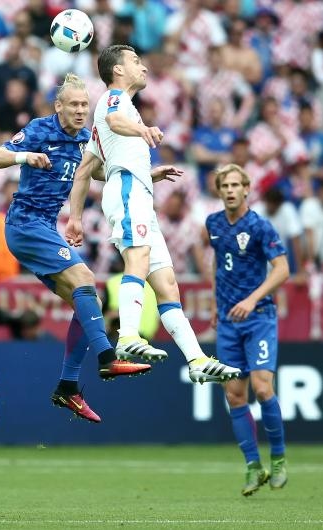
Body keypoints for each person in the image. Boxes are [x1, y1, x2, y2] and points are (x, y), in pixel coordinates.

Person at [65, 44, 240, 384]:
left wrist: (75, 217)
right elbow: (118, 122)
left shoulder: (111, 116)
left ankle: (197, 359)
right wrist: (143, 131)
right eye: (135, 61)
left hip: (136, 189)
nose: (143, 67)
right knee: (139, 259)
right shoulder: (113, 101)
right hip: (129, 191)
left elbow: (86, 170)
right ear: (117, 70)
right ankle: (128, 336)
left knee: (167, 284)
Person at [0, 73, 150, 424]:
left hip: (46, 228)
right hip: (25, 225)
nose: (80, 110)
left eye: (84, 105)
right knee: (86, 277)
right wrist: (25, 158)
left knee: (88, 297)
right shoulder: (39, 129)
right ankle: (108, 358)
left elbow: (93, 170)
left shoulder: (85, 141)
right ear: (58, 106)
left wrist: (146, 174)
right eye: (73, 104)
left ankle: (67, 386)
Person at [204, 164, 290, 496]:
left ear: (246, 189)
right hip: (227, 321)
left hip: (259, 317)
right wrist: (214, 304)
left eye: (235, 185)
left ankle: (279, 459)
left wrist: (253, 299)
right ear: (219, 189)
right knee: (234, 395)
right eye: (224, 185)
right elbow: (218, 261)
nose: (230, 190)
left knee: (263, 388)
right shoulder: (212, 224)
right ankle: (254, 467)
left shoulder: (260, 226)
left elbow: (282, 269)